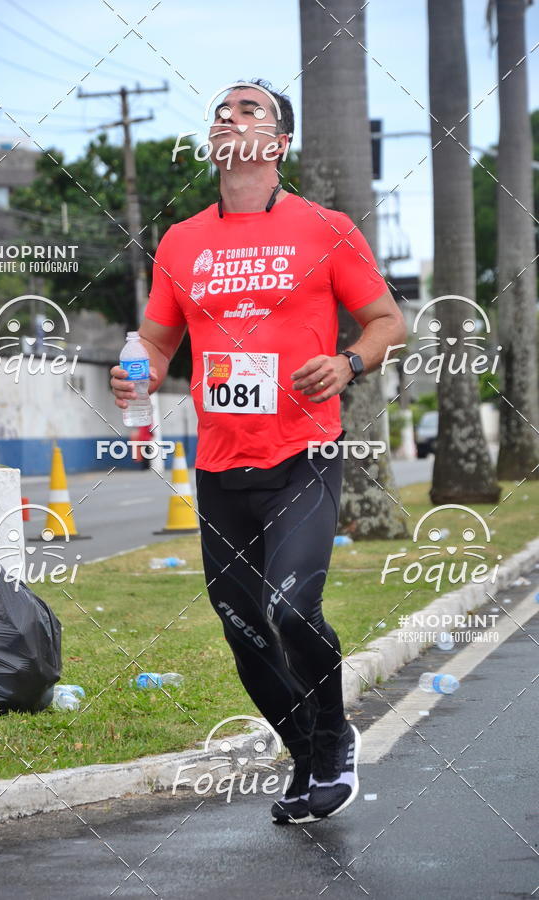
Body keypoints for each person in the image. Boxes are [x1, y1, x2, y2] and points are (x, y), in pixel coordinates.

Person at [110, 79, 406, 824]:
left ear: (277, 143)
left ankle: (335, 739)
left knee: (291, 607)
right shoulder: (181, 240)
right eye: (222, 109)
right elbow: (157, 337)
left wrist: (349, 364)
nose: (229, 116)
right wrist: (133, 365)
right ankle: (303, 755)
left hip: (302, 451)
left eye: (249, 110)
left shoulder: (325, 228)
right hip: (219, 463)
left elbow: (384, 319)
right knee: (242, 629)